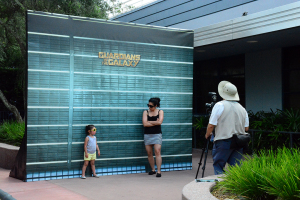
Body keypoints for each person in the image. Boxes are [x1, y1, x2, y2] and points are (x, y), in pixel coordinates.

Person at [205, 81, 249, 175]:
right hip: (239, 142)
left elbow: (211, 125)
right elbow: (246, 128)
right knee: (236, 169)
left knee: (218, 165)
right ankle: (234, 188)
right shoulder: (242, 108)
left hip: (223, 141)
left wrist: (207, 134)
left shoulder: (220, 105)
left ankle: (220, 187)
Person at [142, 97, 164, 178]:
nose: (149, 107)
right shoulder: (145, 112)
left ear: (156, 106)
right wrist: (156, 122)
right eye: (148, 105)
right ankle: (153, 170)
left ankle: (159, 171)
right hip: (147, 134)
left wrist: (149, 121)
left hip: (157, 134)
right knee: (149, 153)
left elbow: (160, 122)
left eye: (151, 106)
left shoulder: (160, 111)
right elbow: (145, 124)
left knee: (157, 151)